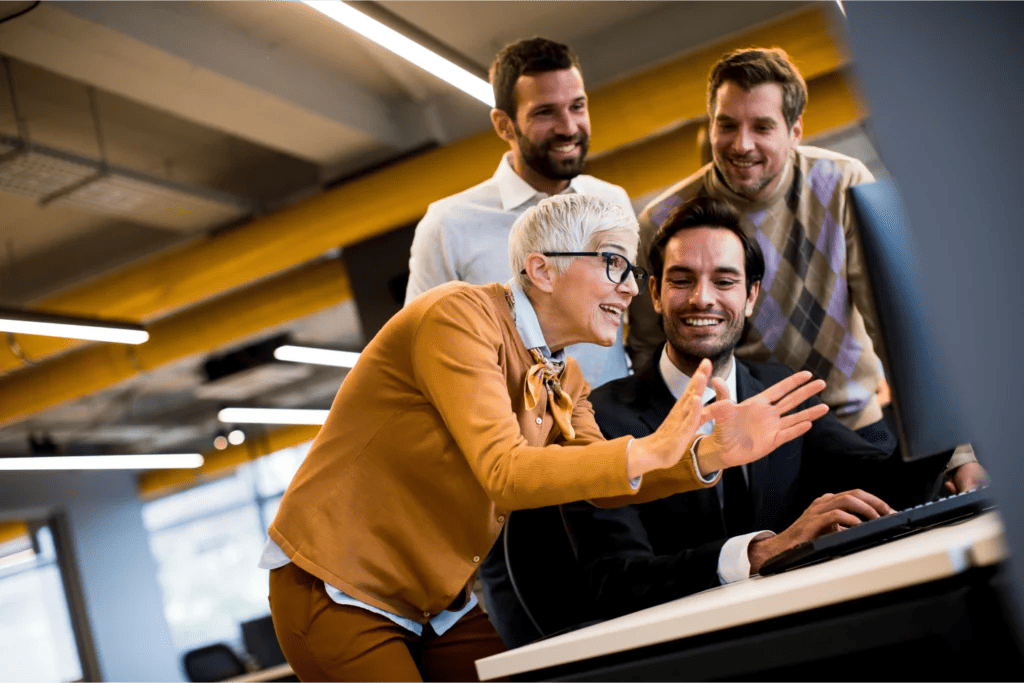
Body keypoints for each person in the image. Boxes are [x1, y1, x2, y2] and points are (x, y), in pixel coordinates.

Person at [262, 194, 829, 681]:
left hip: (434, 601)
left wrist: (705, 455)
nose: (631, 289)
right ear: (542, 270)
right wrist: (653, 448)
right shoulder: (458, 318)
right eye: (613, 264)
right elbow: (504, 473)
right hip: (338, 588)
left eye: (630, 271)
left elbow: (601, 485)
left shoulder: (564, 375)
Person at [562, 196, 976, 620]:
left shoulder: (780, 388)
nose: (702, 299)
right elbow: (614, 582)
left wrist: (950, 393)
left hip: (805, 622)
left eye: (724, 282)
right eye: (682, 280)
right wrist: (761, 551)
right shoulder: (596, 420)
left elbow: (883, 490)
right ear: (655, 293)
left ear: (750, 296)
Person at [627, 47, 982, 486]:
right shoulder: (664, 220)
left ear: (795, 131)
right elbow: (647, 352)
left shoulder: (842, 183)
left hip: (853, 422)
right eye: (727, 125)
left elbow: (901, 328)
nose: (741, 144)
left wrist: (959, 455)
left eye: (762, 127)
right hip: (746, 450)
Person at [405, 36, 634, 389]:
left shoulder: (612, 201)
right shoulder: (448, 226)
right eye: (545, 112)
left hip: (614, 425)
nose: (569, 127)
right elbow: (421, 352)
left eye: (577, 106)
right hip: (514, 433)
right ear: (503, 125)